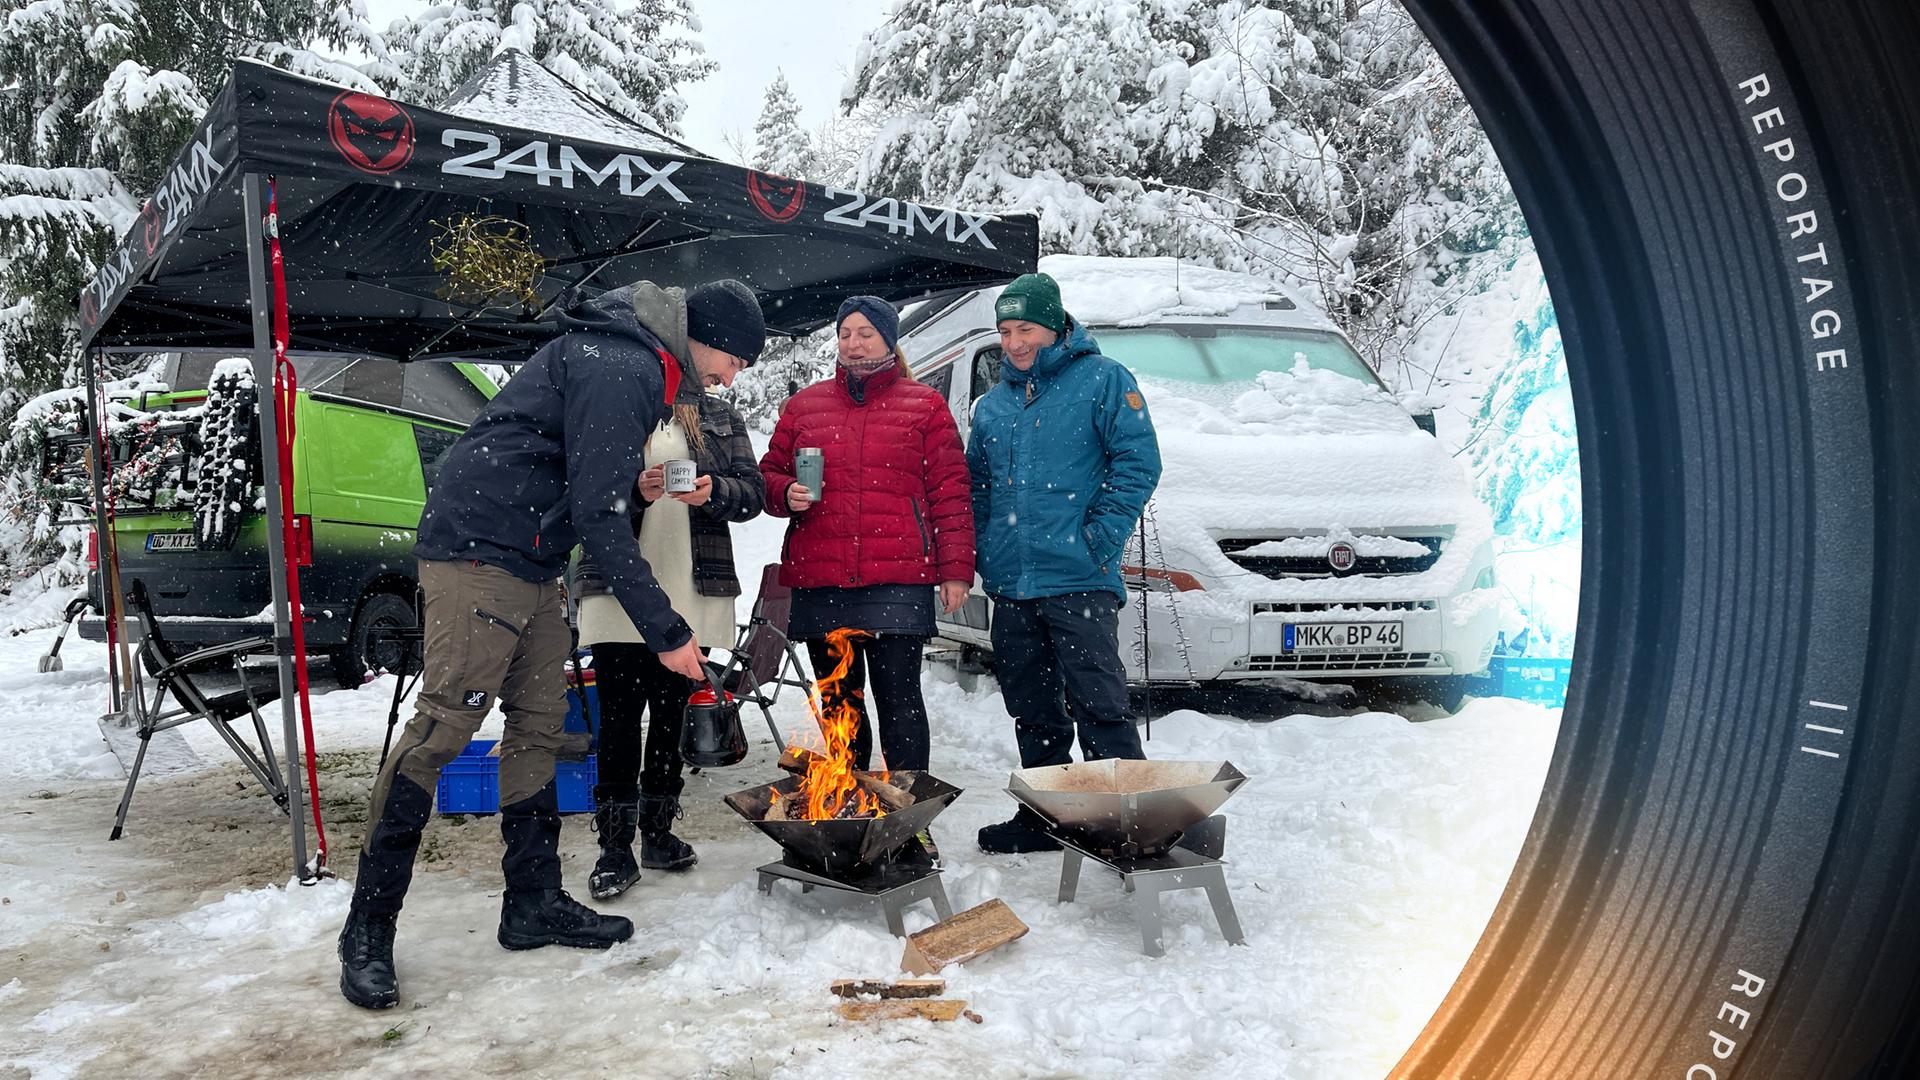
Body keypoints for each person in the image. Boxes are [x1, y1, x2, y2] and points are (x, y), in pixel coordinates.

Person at [336, 279, 766, 1010]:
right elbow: (600, 515)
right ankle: (367, 926)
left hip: (534, 556)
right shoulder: (623, 363)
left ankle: (531, 901)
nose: (732, 377)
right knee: (445, 727)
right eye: (736, 360)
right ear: (709, 339)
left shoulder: (641, 363)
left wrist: (633, 491)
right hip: (481, 549)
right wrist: (666, 631)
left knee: (539, 725)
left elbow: (590, 482)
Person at [759, 296, 973, 833]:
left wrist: (955, 569)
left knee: (900, 702)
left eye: (865, 334)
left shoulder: (925, 406)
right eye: (845, 333)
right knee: (839, 706)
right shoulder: (804, 406)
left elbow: (950, 492)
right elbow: (767, 476)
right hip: (823, 578)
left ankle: (909, 822)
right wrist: (785, 493)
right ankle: (851, 814)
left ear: (888, 340)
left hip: (898, 578)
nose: (853, 344)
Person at [967, 271, 1162, 855]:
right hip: (1013, 584)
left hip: (1079, 579)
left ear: (1054, 326)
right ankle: (1046, 816)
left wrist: (1099, 538)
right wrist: (988, 548)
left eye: (1025, 328)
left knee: (1099, 703)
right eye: (1005, 331)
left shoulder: (1103, 380)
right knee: (1032, 710)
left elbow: (1138, 463)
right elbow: (978, 487)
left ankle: (1130, 823)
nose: (1014, 342)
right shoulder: (993, 405)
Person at [574, 373, 764, 898]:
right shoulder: (617, 403)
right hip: (616, 583)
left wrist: (714, 491)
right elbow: (582, 491)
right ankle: (615, 847)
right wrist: (634, 492)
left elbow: (754, 494)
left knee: (671, 714)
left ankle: (658, 833)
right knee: (617, 717)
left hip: (692, 585)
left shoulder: (720, 415)